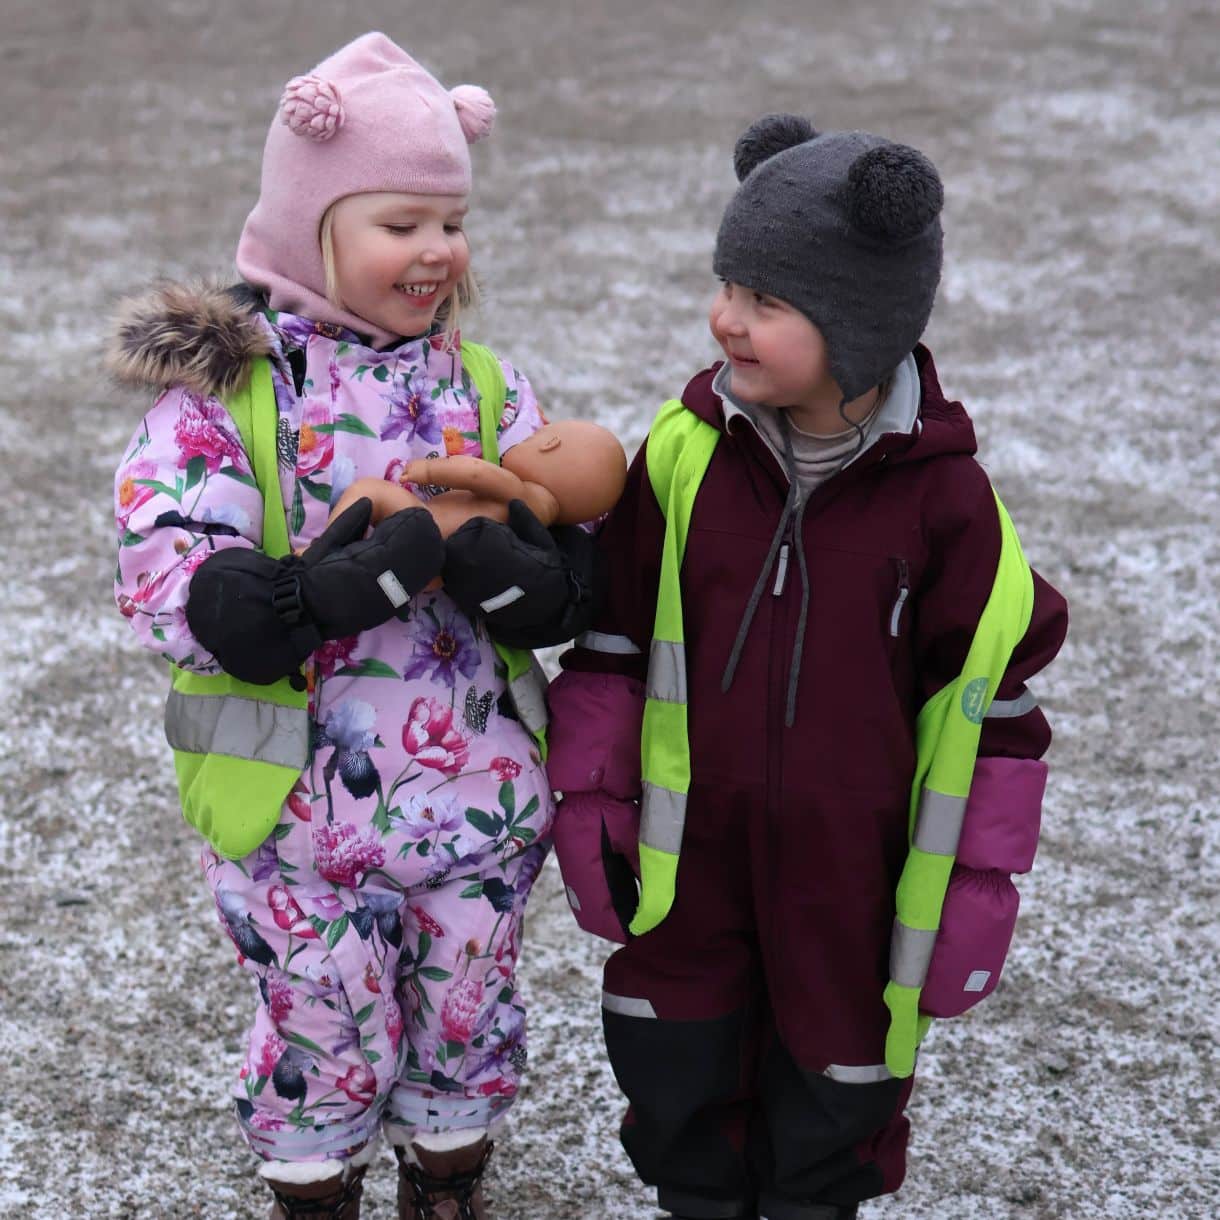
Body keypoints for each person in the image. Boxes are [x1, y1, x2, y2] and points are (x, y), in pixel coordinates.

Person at [545, 113, 1070, 1220]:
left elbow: (993, 707)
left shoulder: (942, 501)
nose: (722, 316)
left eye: (764, 300)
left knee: (838, 1074)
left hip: (853, 872)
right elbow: (612, 636)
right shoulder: (686, 454)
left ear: (858, 325)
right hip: (686, 856)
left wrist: (975, 888)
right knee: (675, 1051)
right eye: (726, 282)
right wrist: (592, 798)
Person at [110, 32, 597, 1220]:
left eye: (450, 221)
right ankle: (316, 1193)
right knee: (323, 1027)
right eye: (400, 222)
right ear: (308, 227)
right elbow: (176, 580)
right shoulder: (234, 397)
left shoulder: (481, 382)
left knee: (466, 1017)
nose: (436, 251)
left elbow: (560, 542)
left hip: (478, 797)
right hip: (298, 817)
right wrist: (336, 579)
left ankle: (447, 1183)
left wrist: (517, 567)